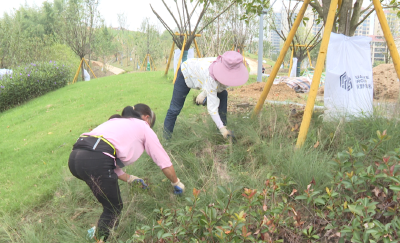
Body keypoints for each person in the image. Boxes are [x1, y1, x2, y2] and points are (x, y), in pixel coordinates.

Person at [68, 104, 185, 241]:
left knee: (108, 203)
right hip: (94, 159)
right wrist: (176, 182)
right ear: (147, 118)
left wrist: (130, 178)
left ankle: (96, 233)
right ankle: (100, 237)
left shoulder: (116, 122)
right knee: (113, 208)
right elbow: (163, 160)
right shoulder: (143, 126)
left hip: (75, 159)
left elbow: (107, 159)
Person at [164, 51, 249, 139]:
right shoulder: (211, 76)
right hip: (186, 73)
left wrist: (203, 93)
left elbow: (215, 86)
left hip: (202, 77)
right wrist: (222, 128)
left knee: (223, 94)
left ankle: (221, 134)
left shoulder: (226, 69)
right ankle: (166, 139)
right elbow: (212, 108)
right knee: (175, 109)